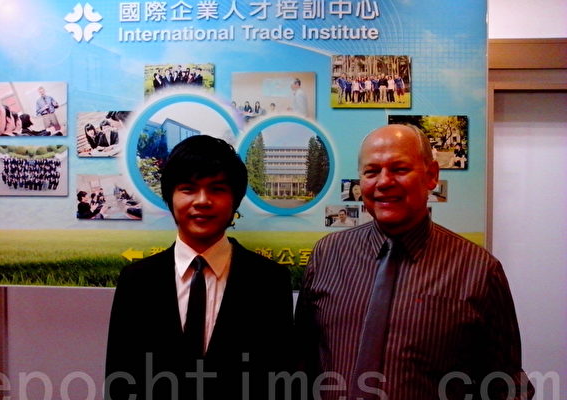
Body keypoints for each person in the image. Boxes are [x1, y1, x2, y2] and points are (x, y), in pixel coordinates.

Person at [295, 124, 533, 400]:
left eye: (399, 169)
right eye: (371, 172)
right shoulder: (328, 256)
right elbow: (302, 363)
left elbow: (506, 386)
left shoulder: (478, 269)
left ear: (431, 176)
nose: (384, 182)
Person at [105, 135, 294, 400]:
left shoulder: (269, 281)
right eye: (188, 188)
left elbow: (279, 380)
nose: (202, 200)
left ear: (235, 200)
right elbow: (120, 380)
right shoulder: (137, 281)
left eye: (217, 189)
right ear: (169, 197)